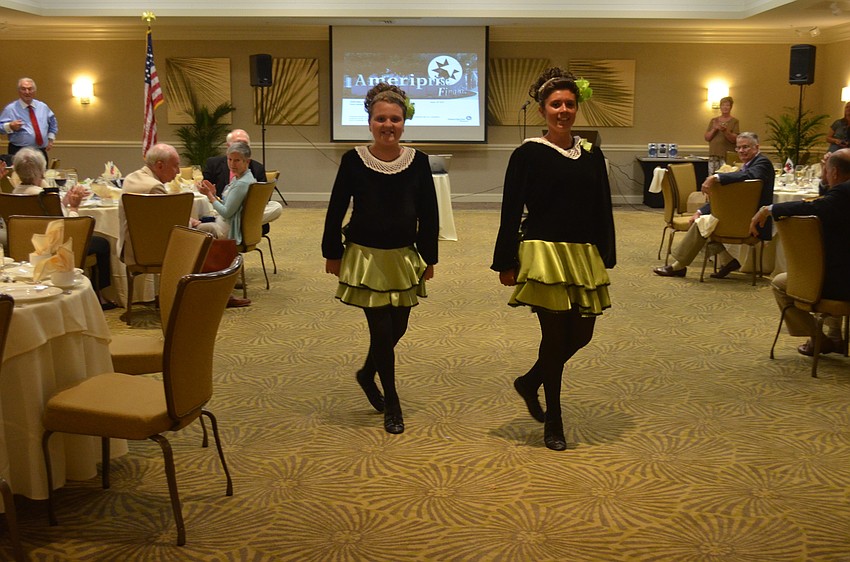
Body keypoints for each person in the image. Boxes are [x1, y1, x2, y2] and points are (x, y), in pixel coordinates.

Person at [492, 68, 616, 451]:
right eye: (555, 104)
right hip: (543, 251)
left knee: (583, 333)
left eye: (569, 104)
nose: (563, 110)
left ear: (577, 107)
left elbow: (602, 207)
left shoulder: (592, 155)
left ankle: (530, 382)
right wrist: (505, 261)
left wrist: (606, 252)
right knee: (554, 336)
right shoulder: (527, 153)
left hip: (582, 254)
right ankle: (555, 420)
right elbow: (511, 209)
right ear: (543, 110)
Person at [322, 83, 438, 435]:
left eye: (395, 119)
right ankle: (392, 400)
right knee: (382, 328)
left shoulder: (418, 161)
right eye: (381, 118)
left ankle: (365, 373)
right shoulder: (353, 160)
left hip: (403, 257)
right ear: (369, 122)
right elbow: (337, 207)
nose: (388, 125)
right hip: (366, 257)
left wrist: (429, 257)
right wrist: (332, 252)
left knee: (398, 327)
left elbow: (429, 214)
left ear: (404, 122)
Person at [750, 148, 850, 356]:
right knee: (829, 268)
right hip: (841, 271)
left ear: (835, 173)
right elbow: (828, 201)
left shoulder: (842, 194)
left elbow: (814, 208)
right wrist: (826, 175)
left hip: (841, 281)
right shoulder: (843, 193)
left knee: (781, 284)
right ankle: (834, 337)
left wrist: (770, 209)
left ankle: (818, 338)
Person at [653, 132, 775, 279]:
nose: (741, 151)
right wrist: (700, 210)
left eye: (746, 147)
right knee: (704, 222)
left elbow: (749, 176)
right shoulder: (749, 164)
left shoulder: (762, 163)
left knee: (702, 224)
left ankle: (678, 266)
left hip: (753, 222)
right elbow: (726, 198)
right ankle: (729, 261)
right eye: (738, 148)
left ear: (757, 147)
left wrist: (715, 177)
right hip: (740, 216)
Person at [10, 148, 116, 309]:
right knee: (102, 243)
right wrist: (73, 207)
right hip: (55, 249)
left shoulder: (13, 195)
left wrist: (64, 202)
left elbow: (48, 218)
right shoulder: (44, 197)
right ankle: (100, 295)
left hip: (22, 246)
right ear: (42, 172)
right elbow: (69, 230)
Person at [195, 140, 257, 308]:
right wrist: (215, 196)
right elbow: (230, 207)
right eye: (229, 159)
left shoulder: (242, 184)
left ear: (247, 161)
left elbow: (226, 213)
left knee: (190, 233)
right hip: (228, 224)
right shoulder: (244, 178)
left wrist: (210, 196)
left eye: (237, 160)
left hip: (228, 229)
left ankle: (210, 287)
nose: (232, 164)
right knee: (195, 225)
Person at [203, 128, 281, 226]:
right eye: (230, 159)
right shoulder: (214, 163)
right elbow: (208, 191)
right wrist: (213, 195)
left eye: (244, 145)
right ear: (228, 147)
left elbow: (263, 200)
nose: (232, 164)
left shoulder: (256, 169)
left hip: (238, 214)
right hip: (218, 209)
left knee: (276, 206)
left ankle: (240, 220)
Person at [0, 78, 58, 157]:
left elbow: (53, 123)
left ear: (34, 91)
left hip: (40, 151)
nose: (27, 92)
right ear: (19, 91)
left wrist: (50, 139)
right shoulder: (11, 109)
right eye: (23, 89)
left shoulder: (43, 107)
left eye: (30, 89)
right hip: (19, 151)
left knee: (42, 170)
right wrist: (10, 126)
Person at [704, 96, 739, 175]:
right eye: (723, 105)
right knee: (712, 177)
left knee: (725, 177)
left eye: (727, 105)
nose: (725, 107)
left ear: (731, 107)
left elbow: (734, 139)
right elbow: (707, 137)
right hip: (713, 154)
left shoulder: (734, 121)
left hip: (726, 155)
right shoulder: (714, 120)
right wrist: (715, 129)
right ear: (720, 107)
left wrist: (725, 130)